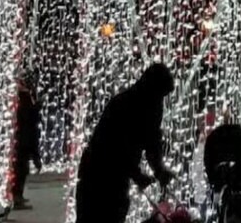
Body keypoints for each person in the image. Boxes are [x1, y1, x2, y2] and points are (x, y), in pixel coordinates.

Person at [74, 63, 177, 223]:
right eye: (160, 94)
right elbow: (115, 149)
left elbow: (153, 142)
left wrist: (158, 170)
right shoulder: (124, 105)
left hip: (116, 177)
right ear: (152, 88)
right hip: (98, 173)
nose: (161, 100)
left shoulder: (152, 104)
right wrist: (138, 175)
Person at [10, 73, 42, 210]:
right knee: (21, 169)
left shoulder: (21, 96)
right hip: (24, 138)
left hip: (22, 138)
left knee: (21, 169)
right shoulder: (23, 97)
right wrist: (37, 108)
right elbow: (29, 117)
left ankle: (17, 195)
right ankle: (16, 197)